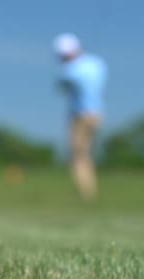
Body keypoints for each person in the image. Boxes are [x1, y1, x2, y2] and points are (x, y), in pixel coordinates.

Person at [53, 33, 107, 200]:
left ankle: (85, 192)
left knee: (77, 155)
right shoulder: (97, 63)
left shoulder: (70, 69)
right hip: (96, 112)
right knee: (85, 153)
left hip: (79, 114)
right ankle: (88, 189)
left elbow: (62, 87)